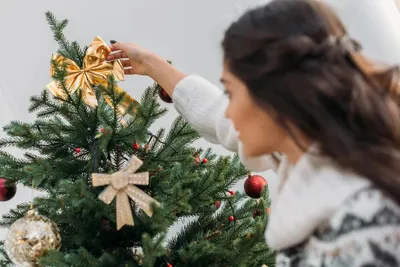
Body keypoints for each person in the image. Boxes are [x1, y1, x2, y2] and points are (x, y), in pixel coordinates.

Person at [107, 0, 400, 265]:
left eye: (231, 92)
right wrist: (150, 65)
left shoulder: (368, 224)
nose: (230, 111)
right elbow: (219, 116)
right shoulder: (315, 161)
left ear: (275, 98)